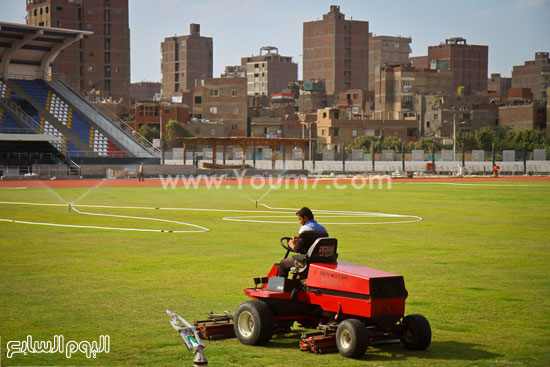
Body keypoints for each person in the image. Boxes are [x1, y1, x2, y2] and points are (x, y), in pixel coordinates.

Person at [278, 207, 328, 278]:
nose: (299, 222)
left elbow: (297, 249)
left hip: (306, 261)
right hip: (320, 259)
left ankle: (280, 286)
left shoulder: (305, 229)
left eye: (300, 219)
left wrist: (291, 244)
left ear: (305, 218)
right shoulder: (323, 229)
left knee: (283, 263)